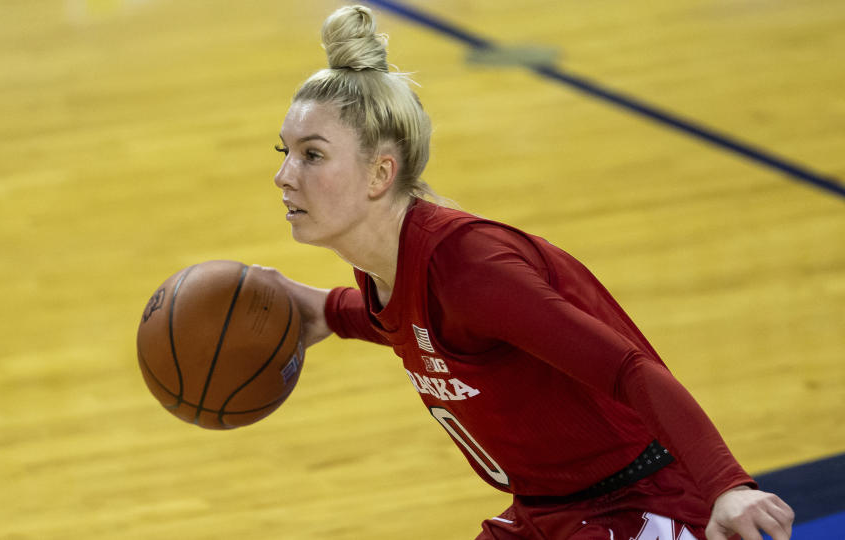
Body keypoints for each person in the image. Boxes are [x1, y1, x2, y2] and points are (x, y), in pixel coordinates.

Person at [262, 5, 795, 539]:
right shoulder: (388, 268)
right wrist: (326, 310)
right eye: (286, 151)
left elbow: (630, 368)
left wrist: (727, 487)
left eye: (312, 155)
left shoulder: (474, 268)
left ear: (380, 172)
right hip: (543, 512)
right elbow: (430, 326)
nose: (284, 176)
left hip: (637, 501)